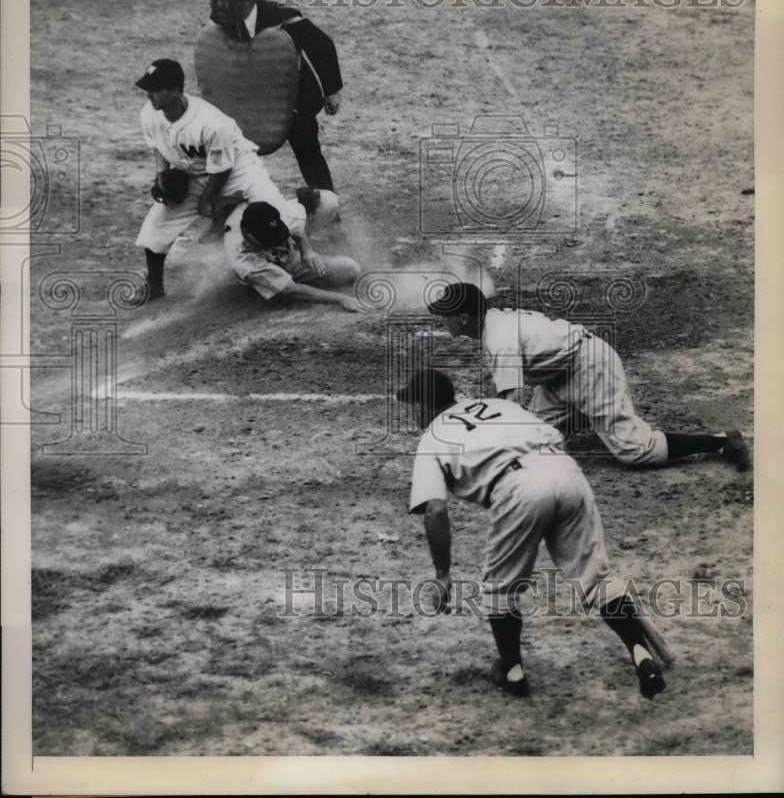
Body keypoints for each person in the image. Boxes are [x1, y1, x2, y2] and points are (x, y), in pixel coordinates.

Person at [399, 368, 667, 699]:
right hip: (565, 471)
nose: (412, 412)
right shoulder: (500, 406)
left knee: (500, 588)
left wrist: (442, 574)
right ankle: (641, 654)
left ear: (424, 407)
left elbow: (435, 510)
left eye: (412, 404)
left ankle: (512, 671)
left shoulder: (432, 437)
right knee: (597, 579)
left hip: (517, 488)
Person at [426, 282, 751, 470]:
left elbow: (510, 407)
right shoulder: (493, 323)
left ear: (464, 318)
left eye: (446, 316)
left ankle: (721, 442)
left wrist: (473, 425)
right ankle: (581, 419)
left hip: (589, 367)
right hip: (558, 375)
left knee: (634, 451)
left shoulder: (499, 338)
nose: (443, 321)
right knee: (533, 444)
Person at [134, 57, 326, 302]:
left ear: (174, 90)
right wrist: (161, 178)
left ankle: (306, 208)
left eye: (155, 90)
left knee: (277, 215)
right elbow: (158, 146)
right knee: (154, 229)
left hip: (238, 171)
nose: (149, 95)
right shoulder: (150, 114)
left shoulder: (212, 123)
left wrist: (206, 202)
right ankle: (155, 288)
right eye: (148, 90)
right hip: (193, 173)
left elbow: (221, 170)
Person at [207, 0, 343, 192]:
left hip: (295, 98)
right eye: (216, 0)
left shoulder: (281, 17)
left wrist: (332, 90)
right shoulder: (222, 20)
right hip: (252, 97)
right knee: (233, 148)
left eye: (226, 0)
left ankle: (328, 204)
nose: (220, 7)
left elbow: (321, 45)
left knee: (307, 150)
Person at [224, 197, 360, 312]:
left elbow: (297, 224)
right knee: (282, 295)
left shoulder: (279, 212)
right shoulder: (244, 261)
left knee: (349, 269)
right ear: (247, 233)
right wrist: (341, 298)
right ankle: (264, 288)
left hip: (288, 258)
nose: (275, 242)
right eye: (267, 240)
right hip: (261, 271)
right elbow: (292, 290)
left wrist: (306, 251)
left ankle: (304, 282)